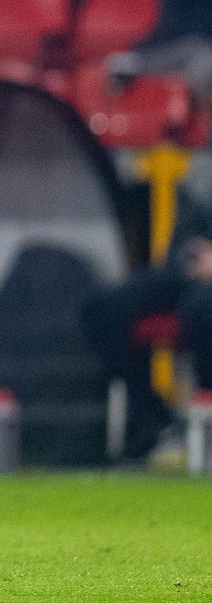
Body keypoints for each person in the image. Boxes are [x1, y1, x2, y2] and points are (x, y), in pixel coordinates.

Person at [85, 188, 212, 460]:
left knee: (202, 307)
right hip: (186, 276)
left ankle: (205, 424)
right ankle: (157, 420)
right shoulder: (200, 190)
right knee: (102, 307)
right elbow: (184, 247)